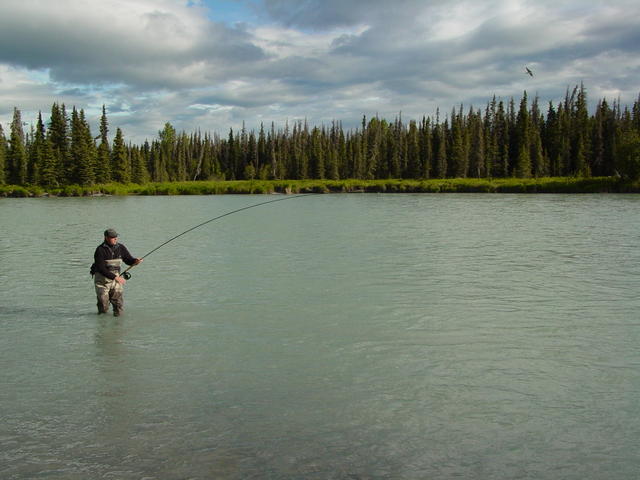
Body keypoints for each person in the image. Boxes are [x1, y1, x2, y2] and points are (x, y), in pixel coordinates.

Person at [91, 228, 142, 316]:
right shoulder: (99, 250)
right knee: (103, 306)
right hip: (102, 281)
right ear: (106, 237)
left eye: (116, 237)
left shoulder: (121, 247)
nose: (115, 239)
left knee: (118, 305)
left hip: (116, 280)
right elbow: (101, 268)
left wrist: (135, 261)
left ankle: (118, 326)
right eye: (112, 237)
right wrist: (116, 277)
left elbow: (128, 260)